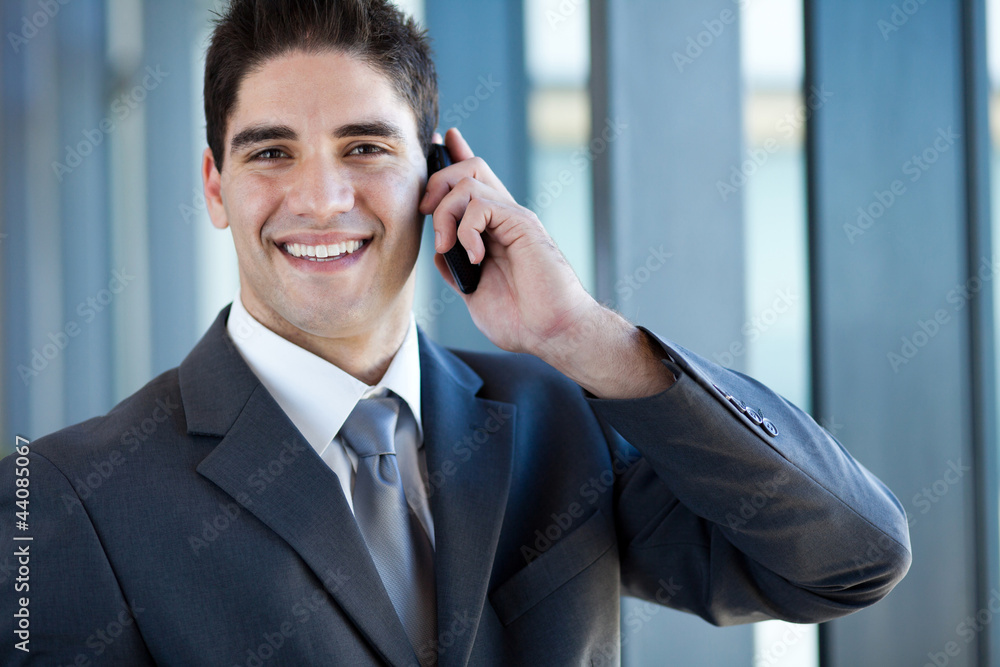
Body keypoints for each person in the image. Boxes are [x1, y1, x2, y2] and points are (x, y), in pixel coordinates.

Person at [0, 0, 911, 665]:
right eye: (271, 152)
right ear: (214, 186)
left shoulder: (565, 420)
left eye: (366, 147)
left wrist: (584, 334)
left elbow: (850, 561)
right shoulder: (65, 496)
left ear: (440, 175)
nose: (321, 198)